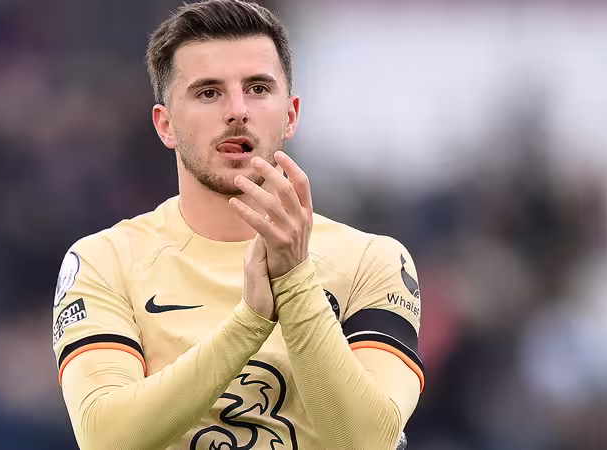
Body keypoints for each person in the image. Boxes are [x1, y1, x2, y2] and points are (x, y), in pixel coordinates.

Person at [52, 1, 422, 448]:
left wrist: (294, 280)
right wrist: (250, 322)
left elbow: (367, 441)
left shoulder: (372, 261)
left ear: (291, 115)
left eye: (258, 88)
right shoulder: (105, 261)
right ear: (165, 125)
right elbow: (105, 438)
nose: (237, 111)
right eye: (208, 92)